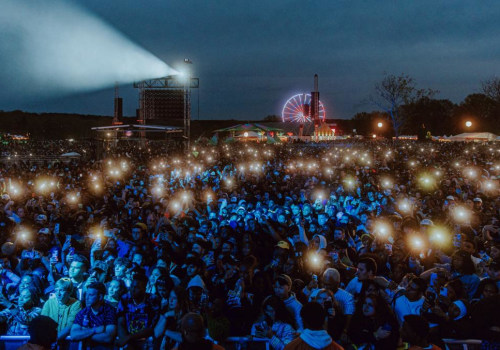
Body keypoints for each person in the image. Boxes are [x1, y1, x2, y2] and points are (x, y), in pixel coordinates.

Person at [116, 273, 161, 348]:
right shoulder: (125, 299)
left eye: (137, 287)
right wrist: (125, 341)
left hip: (146, 339)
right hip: (128, 338)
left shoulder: (153, 300)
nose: (133, 290)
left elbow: (151, 327)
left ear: (144, 289)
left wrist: (128, 338)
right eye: (132, 286)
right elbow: (120, 322)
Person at [70, 282, 117, 349]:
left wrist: (84, 333)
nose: (86, 298)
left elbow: (108, 337)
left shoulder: (110, 312)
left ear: (100, 297)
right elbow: (74, 335)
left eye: (91, 295)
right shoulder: (83, 312)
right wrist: (94, 330)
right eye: (86, 294)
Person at [41, 277, 82, 341]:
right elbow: (43, 323)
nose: (58, 293)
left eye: (62, 290)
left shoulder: (76, 304)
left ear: (69, 292)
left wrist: (55, 339)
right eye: (56, 290)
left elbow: (70, 326)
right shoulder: (49, 303)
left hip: (66, 341)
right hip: (49, 340)